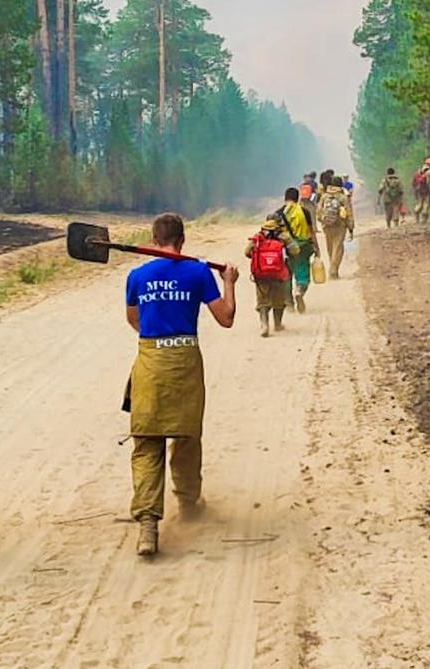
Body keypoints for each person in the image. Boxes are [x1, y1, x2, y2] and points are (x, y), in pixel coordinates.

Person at [125, 213, 239, 556]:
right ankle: (188, 504)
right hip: (186, 360)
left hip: (150, 362)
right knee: (187, 437)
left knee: (148, 440)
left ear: (153, 239)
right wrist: (229, 281)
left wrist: (157, 335)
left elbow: (134, 319)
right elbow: (226, 318)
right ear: (182, 240)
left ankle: (148, 524)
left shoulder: (137, 276)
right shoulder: (198, 272)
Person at [245, 216, 300, 337]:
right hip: (279, 274)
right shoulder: (284, 237)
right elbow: (295, 251)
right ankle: (278, 324)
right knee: (279, 300)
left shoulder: (258, 237)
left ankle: (264, 325)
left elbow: (247, 252)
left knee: (262, 300)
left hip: (261, 275)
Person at [278, 187, 320, 313]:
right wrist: (317, 248)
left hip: (285, 249)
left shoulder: (278, 213)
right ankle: (299, 291)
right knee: (303, 274)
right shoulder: (304, 212)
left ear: (285, 198)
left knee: (286, 276)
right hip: (303, 247)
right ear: (297, 198)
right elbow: (312, 232)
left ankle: (289, 304)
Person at [317, 176, 355, 279]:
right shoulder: (343, 197)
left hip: (327, 226)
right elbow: (349, 213)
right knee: (338, 248)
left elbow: (319, 211)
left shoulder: (324, 196)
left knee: (330, 247)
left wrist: (322, 221)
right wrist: (351, 227)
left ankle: (333, 267)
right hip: (340, 226)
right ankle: (333, 270)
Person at [412, 157, 430, 224]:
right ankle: (424, 220)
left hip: (419, 190)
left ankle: (416, 218)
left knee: (419, 204)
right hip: (427, 190)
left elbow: (414, 181)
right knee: (426, 204)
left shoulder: (419, 171)